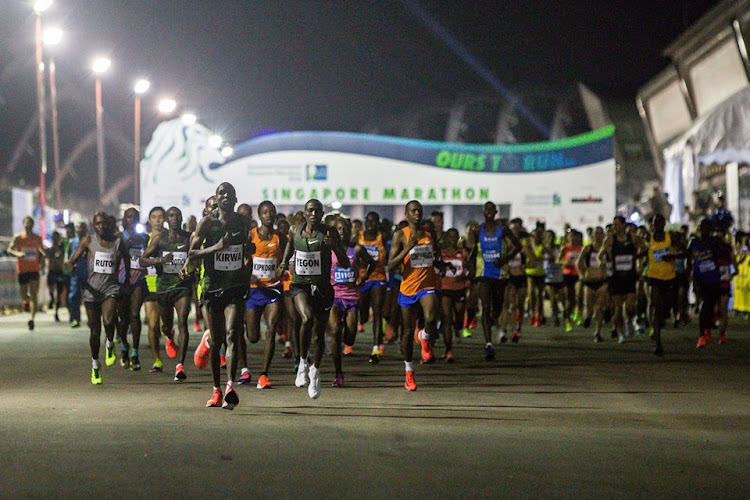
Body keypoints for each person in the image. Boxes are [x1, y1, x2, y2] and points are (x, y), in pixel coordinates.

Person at [184, 183, 254, 409]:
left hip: (234, 286)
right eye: (221, 193)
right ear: (216, 198)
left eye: (229, 193)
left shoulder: (243, 222)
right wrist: (216, 247)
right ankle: (216, 389)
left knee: (233, 333)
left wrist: (247, 254)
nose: (225, 197)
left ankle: (230, 387)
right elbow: (192, 252)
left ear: (235, 199)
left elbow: (247, 248)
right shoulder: (207, 223)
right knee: (217, 341)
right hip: (212, 287)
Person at [278, 199, 348, 399]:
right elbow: (290, 247)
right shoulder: (295, 230)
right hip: (300, 285)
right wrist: (284, 263)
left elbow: (344, 263)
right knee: (306, 318)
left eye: (317, 211)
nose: (314, 214)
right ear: (305, 212)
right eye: (310, 210)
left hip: (323, 288)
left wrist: (333, 247)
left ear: (322, 213)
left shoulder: (329, 233)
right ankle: (302, 362)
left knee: (318, 335)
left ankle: (315, 371)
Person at [388, 200, 449, 390]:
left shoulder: (429, 235)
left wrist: (443, 265)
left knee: (431, 316)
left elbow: (434, 257)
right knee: (407, 332)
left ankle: (424, 335)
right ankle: (409, 370)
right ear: (406, 213)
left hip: (427, 285)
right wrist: (407, 248)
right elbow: (390, 265)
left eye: (419, 211)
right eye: (413, 211)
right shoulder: (400, 235)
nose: (417, 214)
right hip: (408, 288)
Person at [66, 212, 129, 384]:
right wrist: (70, 266)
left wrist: (127, 279)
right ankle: (95, 365)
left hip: (110, 289)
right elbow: (74, 259)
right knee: (94, 331)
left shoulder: (117, 242)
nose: (101, 226)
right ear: (94, 226)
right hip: (91, 291)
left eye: (104, 223)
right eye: (98, 224)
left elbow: (127, 258)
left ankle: (110, 343)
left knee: (109, 321)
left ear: (109, 224)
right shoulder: (88, 241)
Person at [142, 207, 193, 381]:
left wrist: (189, 270)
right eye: (171, 215)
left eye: (178, 215)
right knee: (166, 326)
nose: (174, 218)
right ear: (167, 220)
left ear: (181, 218)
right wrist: (159, 260)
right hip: (163, 287)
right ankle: (169, 336)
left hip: (182, 287)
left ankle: (180, 366)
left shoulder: (188, 238)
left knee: (183, 322)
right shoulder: (159, 239)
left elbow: (195, 258)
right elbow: (142, 260)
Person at [466, 202, 520, 360]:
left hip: (500, 274)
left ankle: (492, 320)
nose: (489, 212)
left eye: (491, 210)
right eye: (486, 210)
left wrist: (505, 259)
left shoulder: (502, 229)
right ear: (483, 212)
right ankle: (488, 344)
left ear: (496, 212)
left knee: (496, 309)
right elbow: (476, 249)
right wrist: (469, 265)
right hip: (484, 273)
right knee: (485, 305)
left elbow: (518, 246)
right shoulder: (478, 230)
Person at [329, 216, 375, 386]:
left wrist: (364, 277)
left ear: (350, 231)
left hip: (351, 297)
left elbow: (372, 264)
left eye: (345, 229)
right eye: (339, 229)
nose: (342, 232)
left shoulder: (356, 249)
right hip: (334, 296)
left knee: (349, 339)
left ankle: (344, 344)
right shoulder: (329, 250)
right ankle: (338, 373)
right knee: (334, 332)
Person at [245, 200, 287, 389]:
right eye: (264, 212)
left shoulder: (281, 238)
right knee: (252, 337)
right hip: (254, 291)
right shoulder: (251, 235)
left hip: (273, 289)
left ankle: (264, 375)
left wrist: (284, 265)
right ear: (259, 216)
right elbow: (243, 257)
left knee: (271, 329)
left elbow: (289, 254)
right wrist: (248, 272)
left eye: (271, 212)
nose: (268, 215)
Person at [141, 207, 174, 373]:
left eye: (161, 217)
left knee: (165, 325)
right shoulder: (144, 239)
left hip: (167, 283)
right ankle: (157, 360)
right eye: (154, 217)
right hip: (149, 283)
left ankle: (169, 335)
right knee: (152, 324)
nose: (158, 220)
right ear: (149, 220)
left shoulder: (170, 237)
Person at [115, 207, 149, 370]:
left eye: (135, 217)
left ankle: (135, 353)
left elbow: (148, 255)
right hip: (122, 281)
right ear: (124, 219)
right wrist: (124, 247)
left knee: (135, 315)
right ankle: (123, 348)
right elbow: (112, 257)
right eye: (129, 217)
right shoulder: (119, 237)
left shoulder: (144, 238)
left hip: (138, 279)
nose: (132, 219)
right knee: (123, 319)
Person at [600, 216, 640, 343]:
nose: (614, 227)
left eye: (617, 224)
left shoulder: (632, 237)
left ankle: (629, 321)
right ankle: (621, 332)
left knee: (630, 307)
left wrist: (640, 263)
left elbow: (644, 249)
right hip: (616, 277)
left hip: (629, 276)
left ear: (624, 225)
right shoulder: (610, 239)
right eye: (613, 224)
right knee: (617, 308)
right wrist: (604, 262)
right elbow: (601, 255)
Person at [357, 211, 390, 364]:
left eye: (373, 221)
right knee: (362, 310)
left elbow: (389, 255)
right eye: (368, 221)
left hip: (378, 277)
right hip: (362, 278)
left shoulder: (382, 237)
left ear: (377, 223)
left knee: (377, 311)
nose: (370, 224)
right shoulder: (358, 236)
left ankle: (377, 346)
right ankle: (362, 319)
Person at [688, 219, 723, 348]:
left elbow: (724, 253)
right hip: (700, 279)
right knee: (705, 304)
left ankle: (707, 328)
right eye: (702, 227)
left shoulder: (715, 241)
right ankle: (702, 335)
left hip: (713, 279)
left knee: (710, 305)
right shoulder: (694, 242)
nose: (705, 230)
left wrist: (715, 249)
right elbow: (688, 256)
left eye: (707, 228)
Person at [7, 216, 46, 330]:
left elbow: (42, 250)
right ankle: (27, 302)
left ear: (33, 225)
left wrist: (43, 259)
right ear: (23, 224)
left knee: (34, 295)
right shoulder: (18, 237)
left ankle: (32, 319)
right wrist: (18, 254)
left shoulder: (37, 238)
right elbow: (9, 249)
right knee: (24, 295)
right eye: (26, 222)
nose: (28, 224)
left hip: (34, 270)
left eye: (30, 222)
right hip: (22, 270)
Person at [439, 228, 469, 361]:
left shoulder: (462, 253)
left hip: (460, 288)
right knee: (446, 319)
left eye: (454, 237)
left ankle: (458, 327)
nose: (452, 240)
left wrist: (465, 276)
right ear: (445, 238)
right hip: (445, 287)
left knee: (459, 316)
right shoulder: (441, 254)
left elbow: (470, 268)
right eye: (449, 237)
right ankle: (448, 349)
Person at [577, 226, 609, 342]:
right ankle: (589, 316)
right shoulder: (587, 248)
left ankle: (597, 332)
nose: (598, 235)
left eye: (601, 233)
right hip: (589, 281)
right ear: (593, 235)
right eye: (596, 233)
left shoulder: (607, 249)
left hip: (602, 281)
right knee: (589, 307)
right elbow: (579, 262)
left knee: (600, 308)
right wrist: (581, 275)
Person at [558, 230, 583, 332]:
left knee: (579, 294)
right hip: (568, 274)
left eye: (574, 236)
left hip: (578, 274)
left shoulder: (581, 248)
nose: (572, 238)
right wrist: (564, 263)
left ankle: (578, 311)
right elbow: (558, 260)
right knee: (569, 300)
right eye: (570, 236)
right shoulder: (565, 248)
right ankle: (568, 320)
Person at [66, 222, 88, 328]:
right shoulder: (72, 242)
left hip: (87, 272)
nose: (80, 230)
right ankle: (75, 318)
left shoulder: (89, 242)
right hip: (75, 273)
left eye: (82, 228)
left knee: (89, 296)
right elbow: (67, 255)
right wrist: (68, 264)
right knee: (73, 296)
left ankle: (91, 318)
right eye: (78, 228)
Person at [46, 231, 67, 322]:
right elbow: (44, 256)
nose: (55, 240)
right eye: (53, 238)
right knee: (51, 291)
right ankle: (52, 299)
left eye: (56, 238)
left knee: (59, 293)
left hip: (59, 272)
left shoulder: (62, 249)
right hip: (52, 272)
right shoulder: (49, 249)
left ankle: (56, 311)